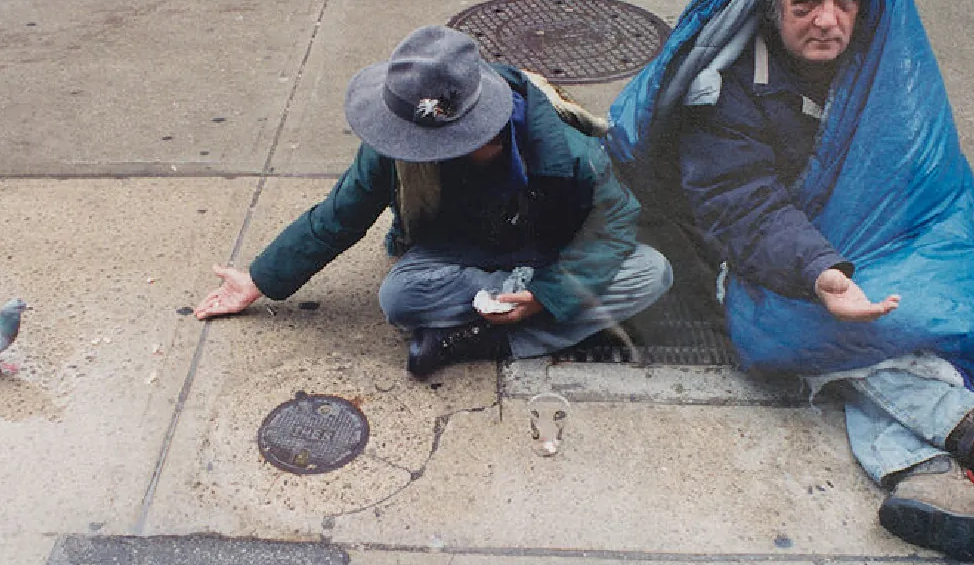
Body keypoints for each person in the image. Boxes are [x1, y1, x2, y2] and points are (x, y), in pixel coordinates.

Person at [607, 0, 974, 564]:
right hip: (751, 264)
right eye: (807, 2)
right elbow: (743, 208)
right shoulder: (725, 87)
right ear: (773, 6)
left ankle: (931, 481)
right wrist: (821, 271)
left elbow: (922, 173)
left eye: (844, 0)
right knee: (842, 321)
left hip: (849, 246)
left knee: (916, 304)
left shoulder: (879, 63)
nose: (829, 19)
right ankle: (973, 429)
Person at [195, 25, 672, 379]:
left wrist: (546, 296)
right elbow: (341, 212)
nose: (405, 149)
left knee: (653, 272)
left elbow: (614, 224)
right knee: (399, 297)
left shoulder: (570, 153)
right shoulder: (397, 142)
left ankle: (478, 340)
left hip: (548, 253)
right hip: (458, 253)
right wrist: (260, 279)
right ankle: (517, 320)